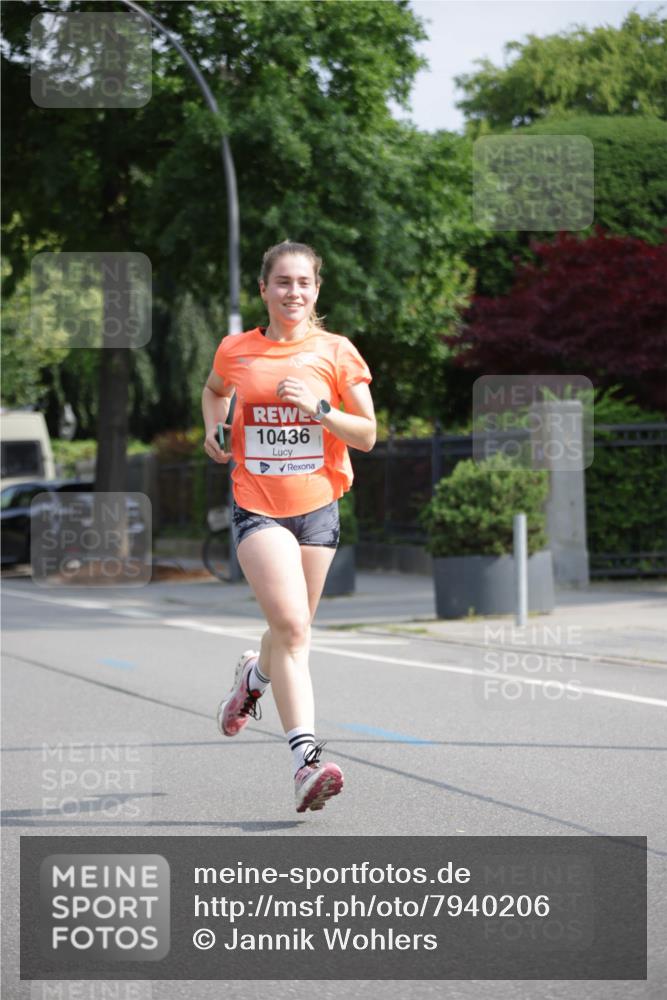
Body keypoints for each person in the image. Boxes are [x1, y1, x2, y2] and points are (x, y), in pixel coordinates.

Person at [202, 240, 376, 813]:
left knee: (287, 636)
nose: (293, 292)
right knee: (296, 631)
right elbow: (214, 391)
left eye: (303, 282)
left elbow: (367, 434)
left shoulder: (336, 351)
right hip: (259, 505)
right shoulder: (237, 350)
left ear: (316, 290)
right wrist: (215, 427)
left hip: (319, 507)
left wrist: (319, 409)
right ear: (264, 289)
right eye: (282, 282)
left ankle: (253, 679)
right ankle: (306, 760)